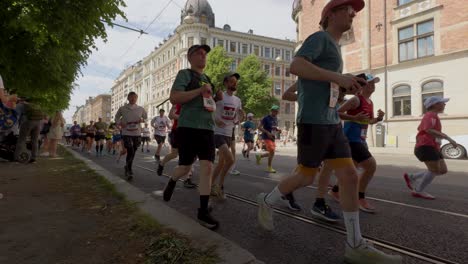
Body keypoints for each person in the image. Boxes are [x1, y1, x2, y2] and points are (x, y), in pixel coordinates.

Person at [256, 1, 402, 263]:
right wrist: (338, 78)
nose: (354, 13)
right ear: (330, 13)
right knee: (306, 177)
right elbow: (297, 66)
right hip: (313, 121)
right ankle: (266, 200)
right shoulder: (320, 38)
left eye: (355, 10)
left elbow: (324, 86)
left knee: (348, 175)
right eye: (348, 9)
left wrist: (346, 86)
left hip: (331, 120)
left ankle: (354, 245)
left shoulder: (335, 47)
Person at [162, 44, 219, 229]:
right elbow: (175, 97)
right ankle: (172, 180)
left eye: (205, 54)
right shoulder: (185, 74)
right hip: (188, 127)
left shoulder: (207, 78)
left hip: (207, 128)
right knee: (185, 168)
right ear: (190, 57)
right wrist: (200, 91)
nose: (203, 56)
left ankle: (202, 211)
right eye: (199, 53)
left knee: (207, 167)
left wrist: (215, 97)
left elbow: (207, 101)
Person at [329, 74, 385, 213]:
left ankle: (335, 191)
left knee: (353, 168)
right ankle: (360, 198)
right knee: (370, 166)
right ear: (362, 85)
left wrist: (378, 119)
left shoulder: (370, 102)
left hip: (360, 139)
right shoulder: (356, 100)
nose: (373, 86)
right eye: (370, 83)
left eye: (374, 84)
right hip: (351, 139)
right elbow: (336, 113)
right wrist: (353, 117)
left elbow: (368, 121)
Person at [403, 96, 456, 200]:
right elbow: (428, 129)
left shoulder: (434, 116)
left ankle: (412, 177)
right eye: (442, 103)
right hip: (425, 146)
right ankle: (418, 190)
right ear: (435, 104)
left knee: (442, 170)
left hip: (433, 146)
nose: (444, 104)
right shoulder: (430, 115)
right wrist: (449, 138)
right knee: (434, 170)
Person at [211, 72, 243, 200]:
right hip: (218, 132)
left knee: (221, 163)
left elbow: (236, 117)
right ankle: (219, 186)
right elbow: (209, 108)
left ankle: (211, 185)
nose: (234, 83)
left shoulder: (237, 100)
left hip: (229, 133)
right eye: (231, 81)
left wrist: (240, 117)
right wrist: (215, 119)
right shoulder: (220, 96)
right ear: (225, 83)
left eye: (235, 81)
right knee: (230, 160)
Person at [157, 104, 196, 189]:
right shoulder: (179, 102)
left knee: (190, 157)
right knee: (174, 154)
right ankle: (161, 163)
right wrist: (185, 118)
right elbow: (171, 115)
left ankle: (187, 179)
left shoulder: (196, 102)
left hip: (191, 133)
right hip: (178, 132)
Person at [114, 92, 147, 180]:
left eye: (135, 97)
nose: (133, 99)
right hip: (126, 132)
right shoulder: (122, 108)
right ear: (128, 98)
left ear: (137, 98)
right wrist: (120, 123)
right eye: (131, 97)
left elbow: (146, 118)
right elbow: (116, 117)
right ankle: (129, 169)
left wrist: (142, 120)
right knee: (130, 149)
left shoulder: (140, 109)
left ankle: (127, 166)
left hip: (137, 133)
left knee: (134, 149)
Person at [15, 98, 44, 163]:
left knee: (22, 139)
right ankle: (34, 158)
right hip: (38, 123)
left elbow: (15, 113)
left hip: (27, 122)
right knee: (35, 140)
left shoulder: (21, 104)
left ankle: (16, 157)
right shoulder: (36, 106)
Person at [256, 105, 281, 173]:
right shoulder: (266, 118)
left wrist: (278, 130)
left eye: (277, 111)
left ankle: (260, 156)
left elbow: (274, 127)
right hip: (266, 136)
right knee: (272, 151)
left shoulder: (276, 118)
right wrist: (267, 132)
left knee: (271, 152)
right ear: (271, 111)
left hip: (272, 137)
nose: (276, 113)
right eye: (274, 111)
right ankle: (269, 167)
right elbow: (259, 127)